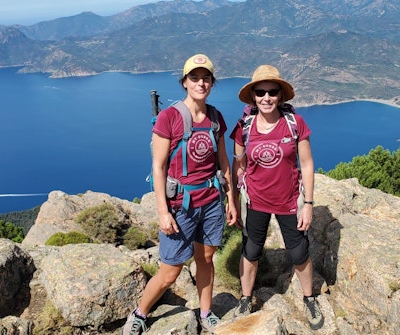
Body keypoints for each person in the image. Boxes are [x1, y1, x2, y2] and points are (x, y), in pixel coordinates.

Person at [122, 54, 238, 334]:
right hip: (180, 206)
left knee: (206, 259)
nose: (201, 83)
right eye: (195, 78)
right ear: (185, 82)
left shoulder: (215, 117)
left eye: (206, 78)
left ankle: (206, 311)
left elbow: (224, 162)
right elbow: (159, 167)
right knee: (171, 270)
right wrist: (163, 211)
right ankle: (139, 313)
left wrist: (231, 199)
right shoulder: (169, 118)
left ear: (212, 82)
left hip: (211, 201)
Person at [229, 65, 323, 330]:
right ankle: (246, 298)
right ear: (253, 96)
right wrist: (234, 200)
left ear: (281, 96)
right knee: (251, 251)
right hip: (255, 201)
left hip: (289, 201)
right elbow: (239, 165)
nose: (266, 98)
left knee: (298, 253)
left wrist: (309, 204)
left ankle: (309, 298)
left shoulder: (294, 123)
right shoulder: (244, 126)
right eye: (260, 92)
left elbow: (306, 163)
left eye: (272, 92)